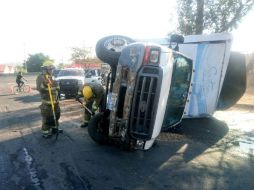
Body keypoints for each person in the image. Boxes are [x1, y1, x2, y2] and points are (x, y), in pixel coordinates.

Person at [36, 60, 61, 138]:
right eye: (50, 69)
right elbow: (40, 88)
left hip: (55, 101)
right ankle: (45, 133)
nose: (52, 71)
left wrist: (57, 86)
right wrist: (45, 84)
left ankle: (54, 129)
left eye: (52, 69)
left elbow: (56, 87)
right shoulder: (41, 77)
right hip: (47, 102)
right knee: (47, 118)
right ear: (45, 69)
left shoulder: (52, 76)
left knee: (56, 115)